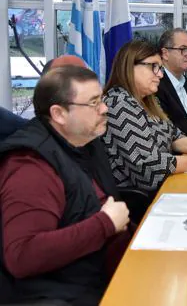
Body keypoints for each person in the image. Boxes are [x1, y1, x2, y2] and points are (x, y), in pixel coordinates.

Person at [0, 66, 131, 305]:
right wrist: (105, 225)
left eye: (101, 99)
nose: (105, 109)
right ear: (59, 114)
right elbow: (22, 255)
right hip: (63, 295)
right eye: (93, 103)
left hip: (103, 276)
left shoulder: (84, 142)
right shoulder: (30, 166)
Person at [102, 40, 187, 193]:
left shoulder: (148, 100)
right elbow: (149, 168)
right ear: (130, 66)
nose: (160, 74)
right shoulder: (118, 104)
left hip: (166, 183)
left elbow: (173, 135)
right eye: (154, 67)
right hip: (138, 201)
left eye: (161, 68)